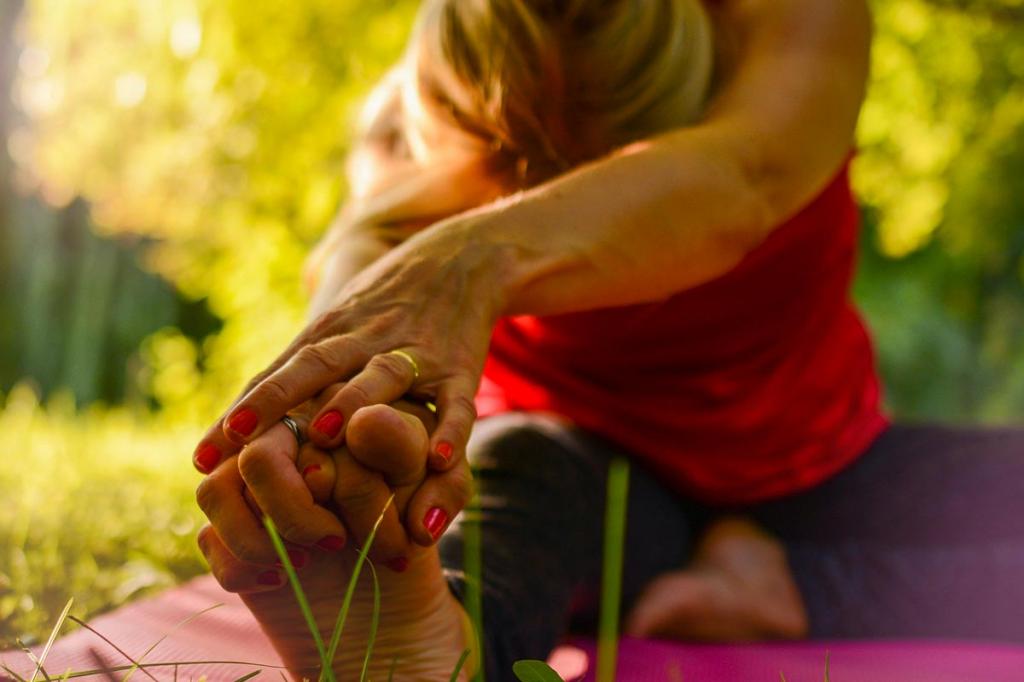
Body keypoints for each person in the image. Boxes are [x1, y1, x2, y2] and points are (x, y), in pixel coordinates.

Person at [192, 0, 1024, 679]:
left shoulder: (795, 23)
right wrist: (324, 442)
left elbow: (742, 180)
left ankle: (787, 587)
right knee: (519, 490)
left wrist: (468, 255)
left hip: (824, 467)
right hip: (585, 470)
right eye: (522, 170)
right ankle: (431, 652)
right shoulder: (414, 115)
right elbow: (356, 271)